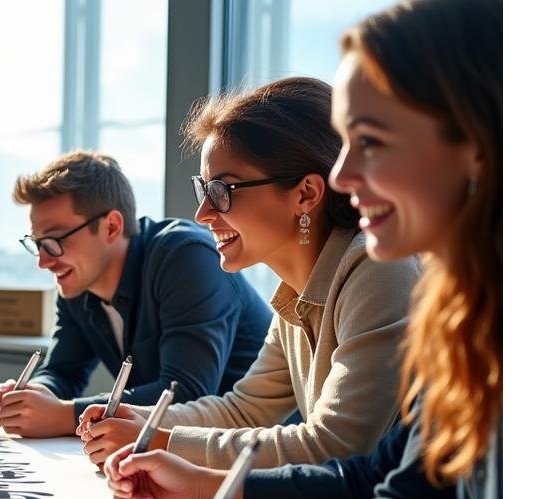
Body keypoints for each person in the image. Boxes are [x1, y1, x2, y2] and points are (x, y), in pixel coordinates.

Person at [124, 0, 501, 499]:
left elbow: (340, 446)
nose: (341, 177)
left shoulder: (386, 276)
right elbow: (404, 495)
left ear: (479, 141)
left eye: (372, 141)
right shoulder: (466, 312)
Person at [78, 78, 421, 469]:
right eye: (202, 189)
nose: (203, 214)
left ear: (306, 194)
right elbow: (244, 409)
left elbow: (336, 445)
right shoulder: (296, 291)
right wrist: (139, 419)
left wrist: (161, 441)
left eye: (223, 189)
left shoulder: (378, 269)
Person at [0, 151, 271, 438]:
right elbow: (62, 372)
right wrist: (32, 397)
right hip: (180, 451)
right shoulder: (78, 281)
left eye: (54, 241)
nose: (43, 262)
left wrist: (64, 415)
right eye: (37, 244)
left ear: (111, 226)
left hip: (259, 449)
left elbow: (185, 392)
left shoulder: (186, 256)